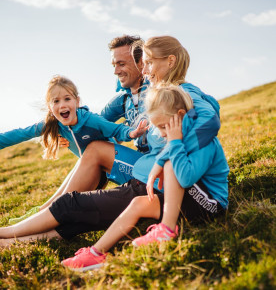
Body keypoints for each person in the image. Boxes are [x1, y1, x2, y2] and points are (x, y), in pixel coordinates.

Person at [0, 36, 222, 256]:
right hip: (148, 171)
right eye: (114, 64)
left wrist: (169, 153)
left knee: (77, 199)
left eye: (125, 63)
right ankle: (25, 225)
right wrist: (69, 130)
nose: (118, 70)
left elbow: (210, 120)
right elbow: (95, 122)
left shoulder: (174, 92)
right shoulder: (126, 96)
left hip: (160, 177)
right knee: (84, 180)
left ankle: (17, 228)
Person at [61, 83, 229, 271]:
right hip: (191, 196)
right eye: (158, 128)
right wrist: (158, 164)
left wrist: (172, 146)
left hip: (210, 202)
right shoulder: (181, 130)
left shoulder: (204, 141)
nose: (163, 133)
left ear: (180, 116)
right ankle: (96, 254)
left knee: (171, 164)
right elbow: (171, 155)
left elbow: (185, 178)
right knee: (137, 204)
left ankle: (167, 229)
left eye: (164, 127)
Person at [7, 35, 150, 224]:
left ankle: (52, 212)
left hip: (159, 169)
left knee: (96, 149)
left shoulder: (161, 92)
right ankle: (46, 209)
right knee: (94, 148)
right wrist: (66, 133)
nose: (116, 71)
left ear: (142, 62)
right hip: (142, 164)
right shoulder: (123, 99)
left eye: (121, 64)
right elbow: (92, 125)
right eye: (114, 65)